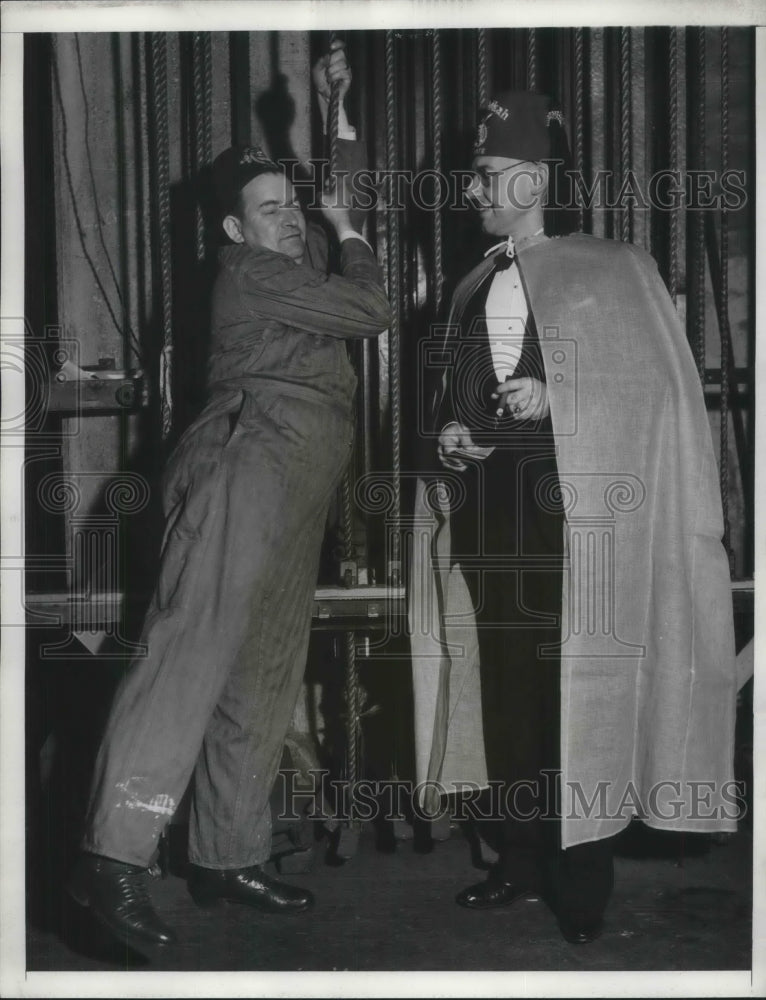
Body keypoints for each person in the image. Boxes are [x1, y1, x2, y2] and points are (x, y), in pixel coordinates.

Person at [67, 40, 391, 948]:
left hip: (297, 482)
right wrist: (352, 235)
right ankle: (111, 857)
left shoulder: (299, 257)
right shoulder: (253, 275)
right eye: (270, 212)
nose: (292, 223)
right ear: (234, 232)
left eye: (293, 209)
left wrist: (333, 117)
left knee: (262, 672)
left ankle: (224, 853)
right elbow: (368, 307)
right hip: (244, 462)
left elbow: (340, 204)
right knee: (189, 658)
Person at [425, 91, 737, 944]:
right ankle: (520, 861)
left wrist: (557, 392)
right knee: (509, 694)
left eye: (487, 175)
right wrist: (452, 434)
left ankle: (582, 879)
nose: (474, 190)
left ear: (532, 177)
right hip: (492, 517)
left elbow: (652, 391)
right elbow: (454, 392)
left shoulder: (611, 267)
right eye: (474, 174)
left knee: (582, 691)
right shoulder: (471, 282)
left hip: (576, 517)